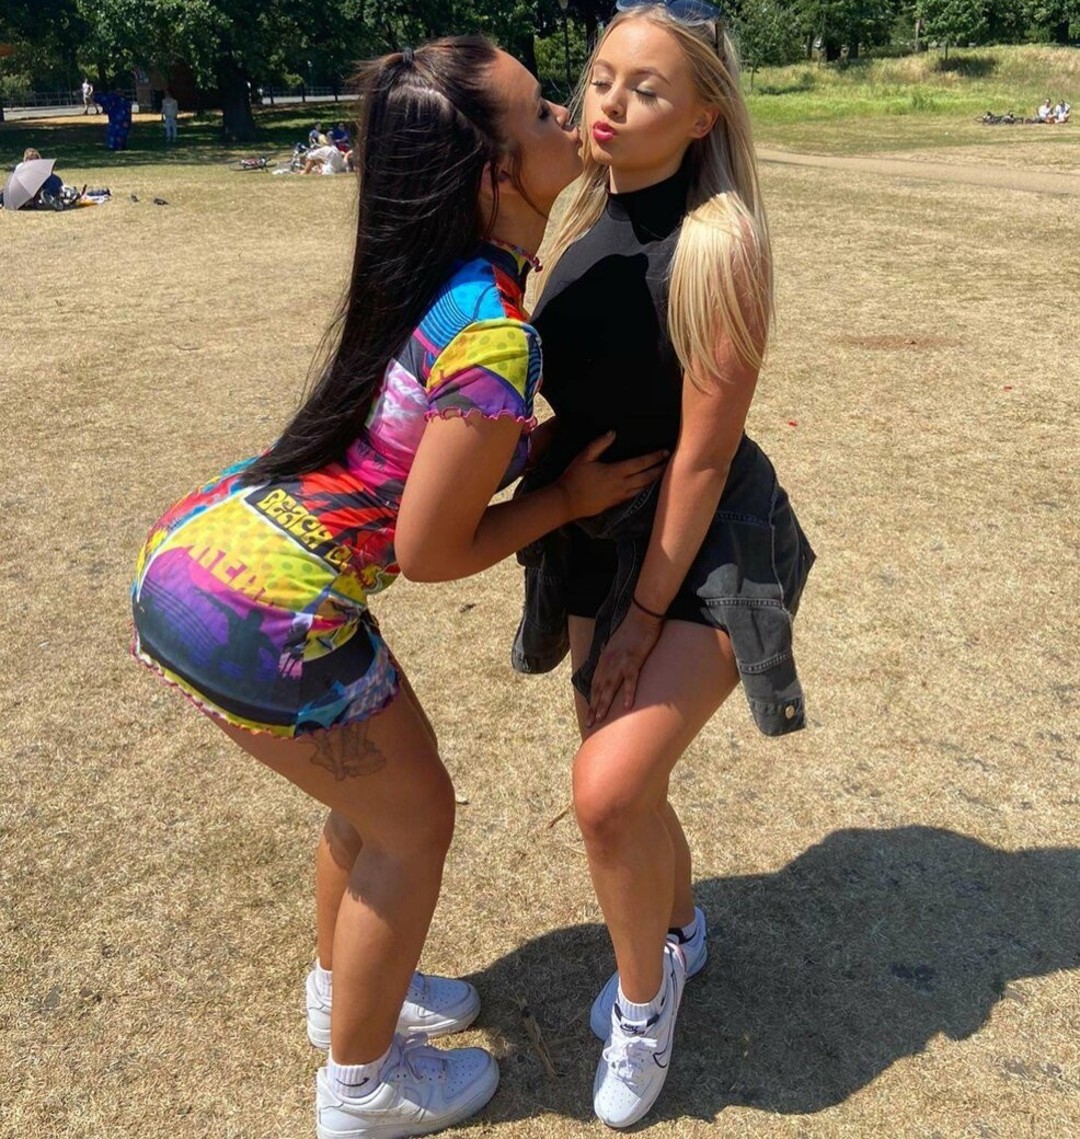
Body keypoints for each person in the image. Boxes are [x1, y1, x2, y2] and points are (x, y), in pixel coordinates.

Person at [130, 36, 665, 1139]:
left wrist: (530, 451)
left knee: (372, 804)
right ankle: (362, 1086)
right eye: (543, 114)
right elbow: (429, 549)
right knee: (415, 824)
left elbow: (416, 453)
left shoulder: (428, 278)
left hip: (196, 553)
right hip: (268, 608)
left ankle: (345, 992)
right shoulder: (493, 332)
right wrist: (565, 499)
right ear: (492, 175)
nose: (570, 118)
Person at [514, 1, 814, 1127]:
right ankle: (681, 928)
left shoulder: (721, 243)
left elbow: (702, 456)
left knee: (604, 791)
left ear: (701, 118)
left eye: (645, 90)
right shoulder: (581, 210)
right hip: (596, 530)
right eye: (601, 78)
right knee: (625, 779)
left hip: (705, 541)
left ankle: (646, 1004)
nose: (608, 105)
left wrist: (643, 616)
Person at [96, 85, 132, 150]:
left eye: (120, 91)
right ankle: (115, 146)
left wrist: (127, 121)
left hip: (120, 120)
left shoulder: (124, 102)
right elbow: (102, 100)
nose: (119, 93)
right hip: (115, 120)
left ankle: (119, 146)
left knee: (120, 134)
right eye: (118, 91)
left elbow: (128, 112)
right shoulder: (113, 99)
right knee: (115, 133)